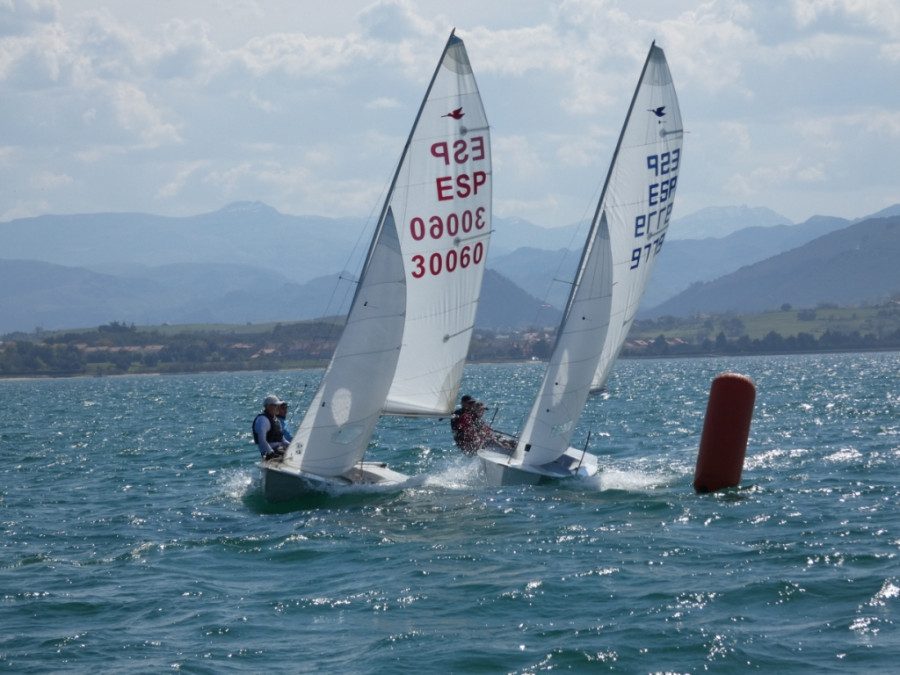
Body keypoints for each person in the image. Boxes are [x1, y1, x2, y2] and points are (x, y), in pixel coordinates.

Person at [253, 394, 289, 460]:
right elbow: (262, 440)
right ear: (268, 407)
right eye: (275, 406)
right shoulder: (262, 420)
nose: (278, 408)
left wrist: (292, 446)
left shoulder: (276, 420)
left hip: (280, 449)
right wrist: (271, 453)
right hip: (270, 453)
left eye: (279, 406)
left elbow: (283, 440)